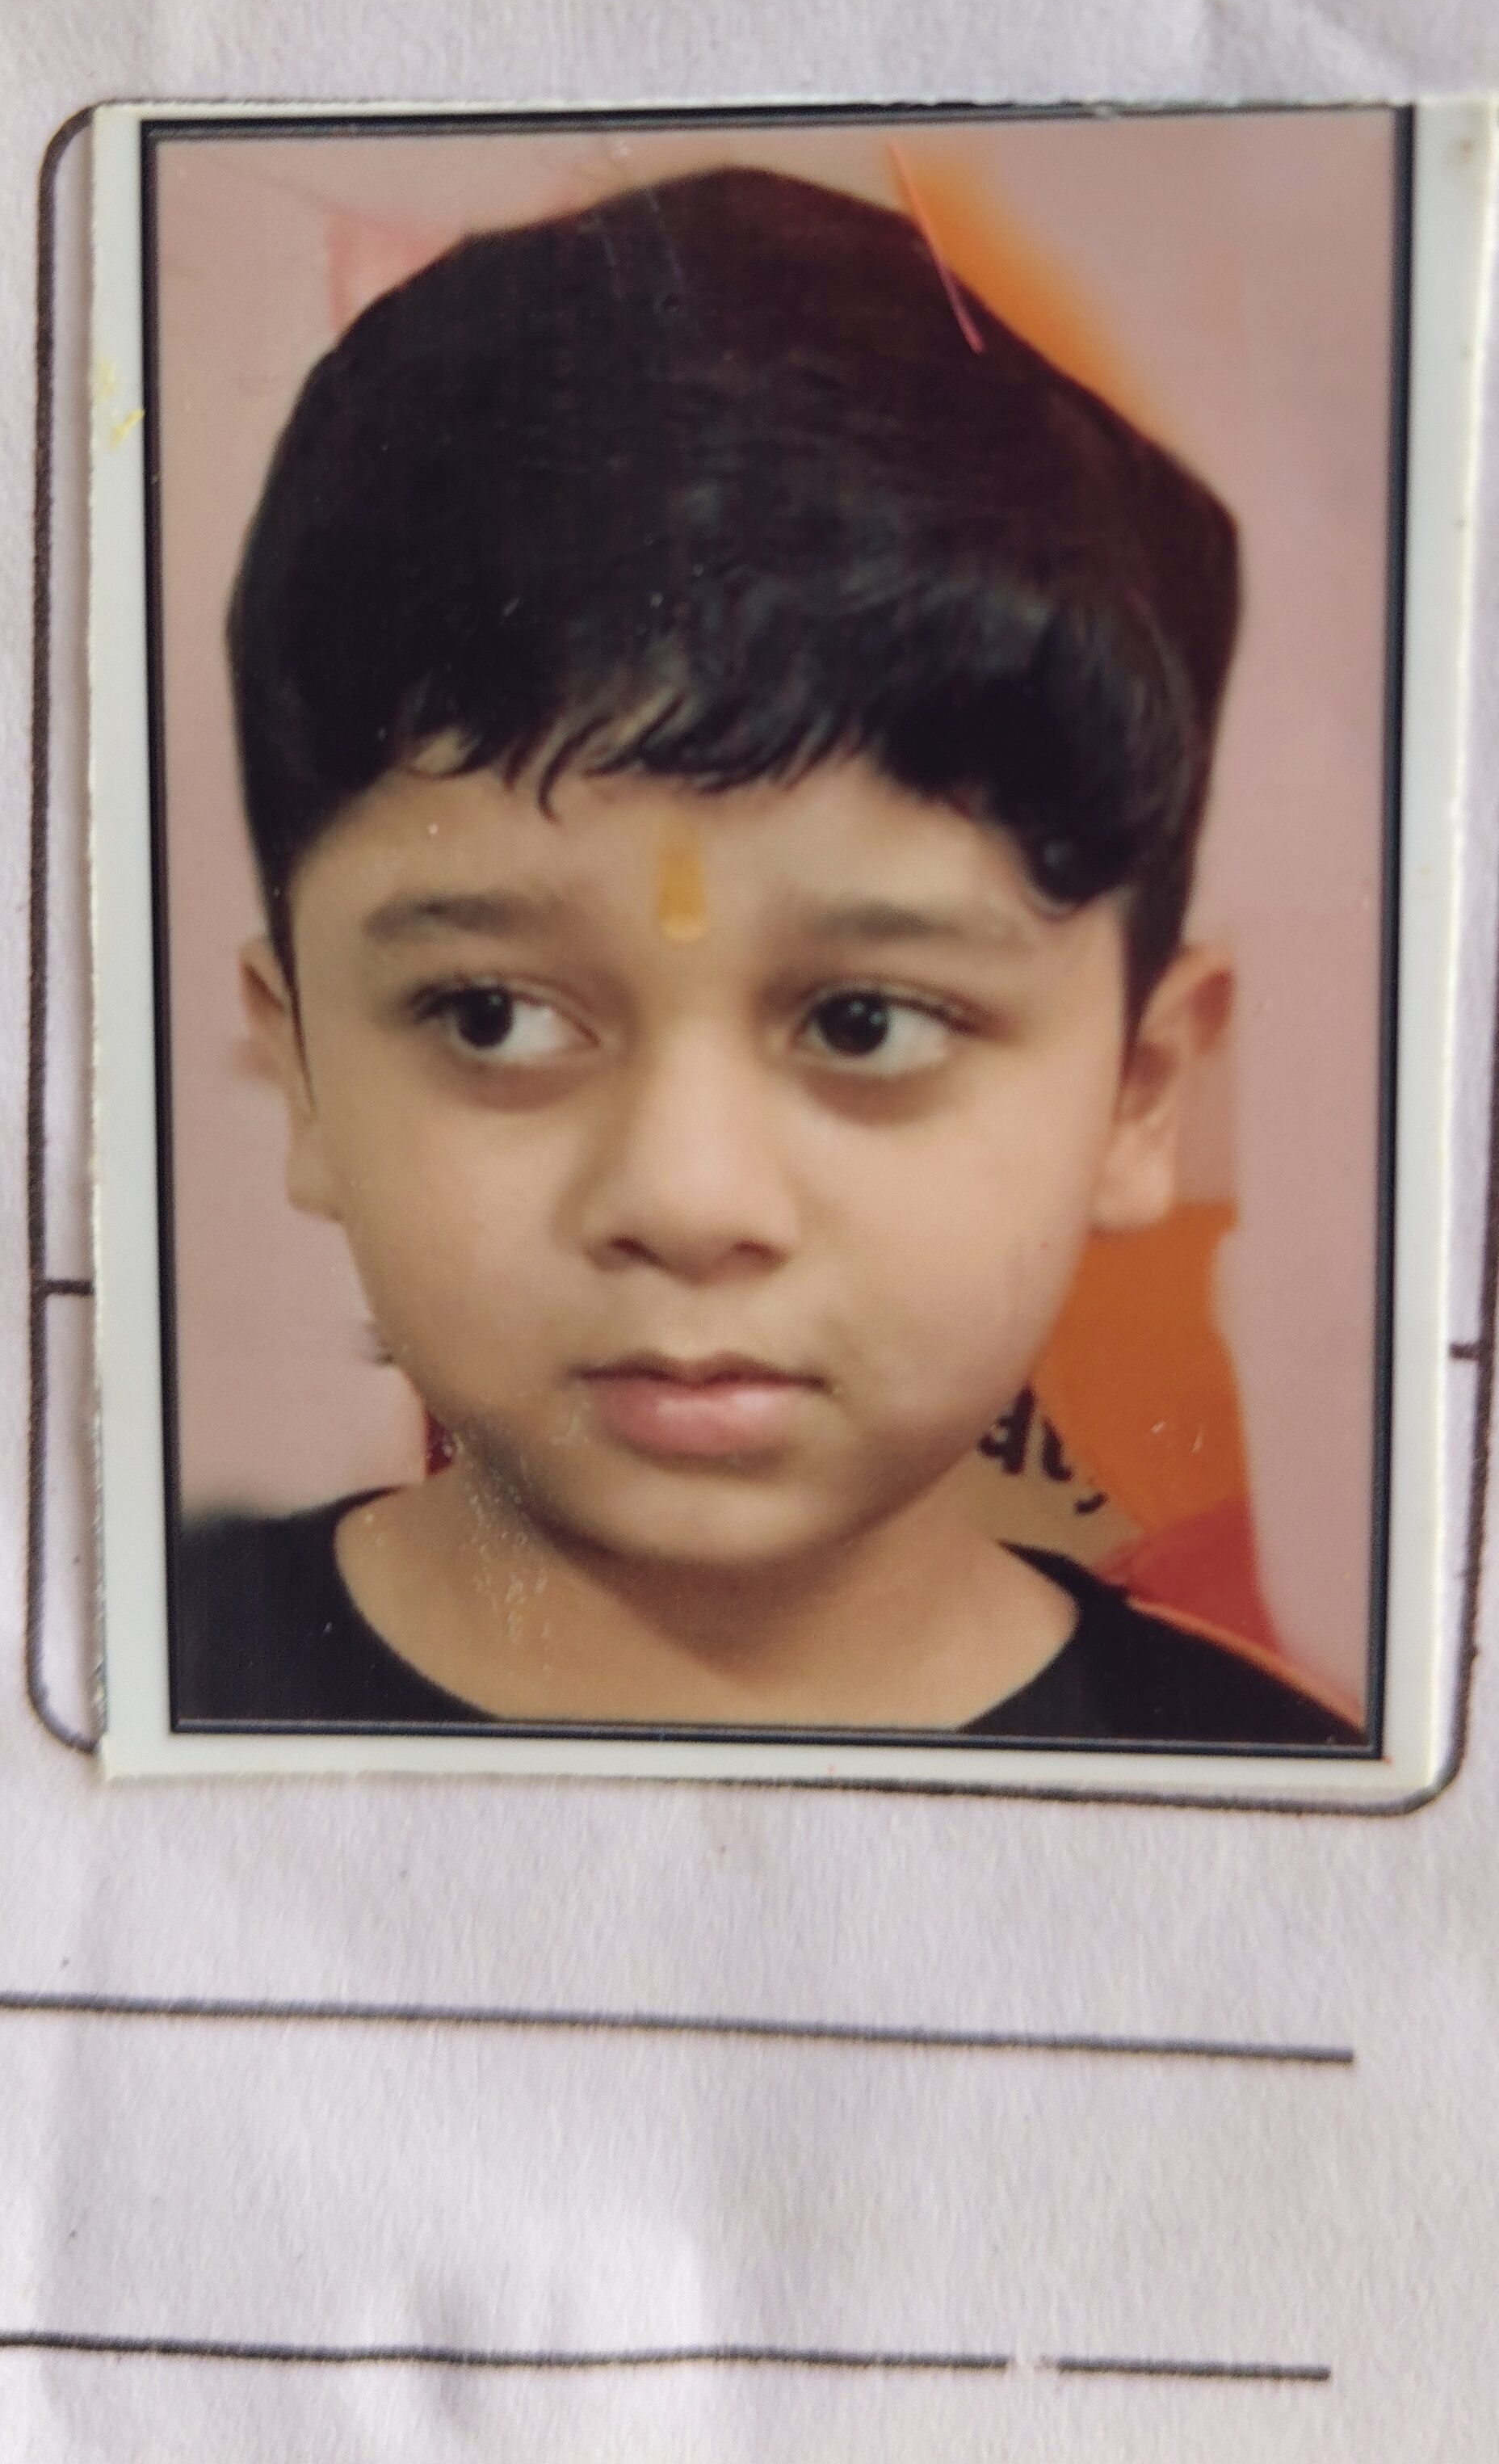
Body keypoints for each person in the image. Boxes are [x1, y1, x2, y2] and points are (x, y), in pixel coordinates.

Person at [178, 163, 1356, 1748]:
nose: (688, 1201)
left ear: (1138, 1091)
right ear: (305, 1070)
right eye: (495, 1013)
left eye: (865, 1021)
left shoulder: (1277, 1795)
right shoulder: (93, 1688)